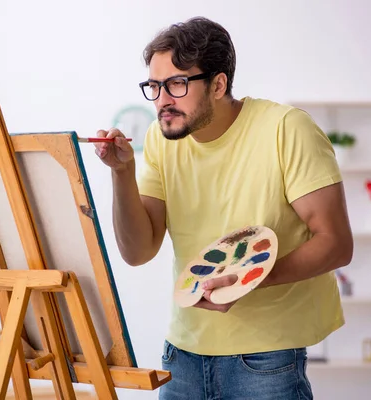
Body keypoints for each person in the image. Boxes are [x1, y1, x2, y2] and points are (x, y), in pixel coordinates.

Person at [94, 16, 353, 400]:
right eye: (154, 85)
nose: (162, 100)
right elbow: (138, 251)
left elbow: (335, 243)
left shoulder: (286, 129)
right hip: (182, 354)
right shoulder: (160, 139)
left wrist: (248, 279)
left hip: (267, 359)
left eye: (177, 84)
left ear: (218, 84)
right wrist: (122, 173)